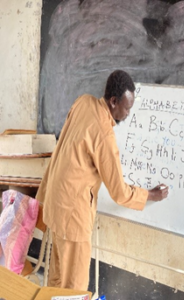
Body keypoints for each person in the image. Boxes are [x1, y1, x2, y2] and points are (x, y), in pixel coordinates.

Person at [36, 70, 169, 291]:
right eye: (127, 108)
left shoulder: (83, 102)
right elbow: (119, 192)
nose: (128, 113)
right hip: (73, 219)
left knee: (56, 281)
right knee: (74, 289)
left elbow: (62, 147)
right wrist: (150, 195)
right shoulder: (104, 136)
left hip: (56, 207)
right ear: (113, 101)